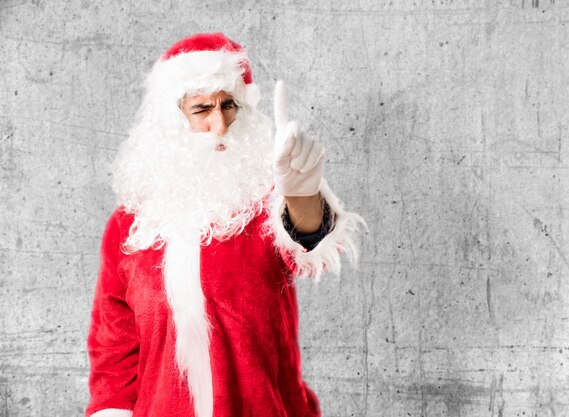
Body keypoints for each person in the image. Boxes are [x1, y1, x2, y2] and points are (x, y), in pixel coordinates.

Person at [86, 33, 364, 417]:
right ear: (172, 119)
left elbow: (307, 241)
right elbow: (114, 349)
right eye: (202, 109)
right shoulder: (131, 225)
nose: (221, 124)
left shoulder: (264, 198)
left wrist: (301, 193)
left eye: (229, 105)